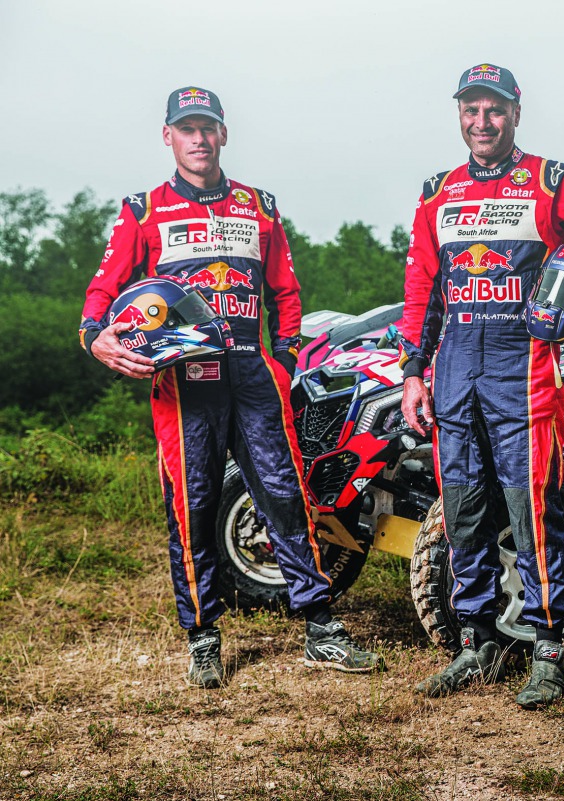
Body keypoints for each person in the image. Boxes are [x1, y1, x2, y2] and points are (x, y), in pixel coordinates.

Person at [79, 86, 381, 688]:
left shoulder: (259, 205)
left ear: (223, 135)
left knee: (286, 496)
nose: (198, 138)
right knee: (192, 506)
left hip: (253, 372)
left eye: (208, 127)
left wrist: (288, 357)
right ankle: (204, 636)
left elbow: (286, 293)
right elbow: (101, 293)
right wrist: (94, 337)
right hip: (184, 381)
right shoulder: (144, 209)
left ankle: (319, 625)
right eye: (186, 128)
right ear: (168, 136)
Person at [399, 63, 564, 709]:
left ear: (515, 113)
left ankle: (548, 649)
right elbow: (421, 290)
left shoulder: (553, 181)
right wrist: (412, 371)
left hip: (524, 369)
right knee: (462, 515)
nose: (481, 122)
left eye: (494, 110)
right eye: (471, 110)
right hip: (455, 367)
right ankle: (476, 641)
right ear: (459, 115)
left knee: (530, 511)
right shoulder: (439, 191)